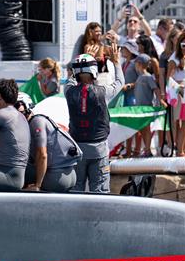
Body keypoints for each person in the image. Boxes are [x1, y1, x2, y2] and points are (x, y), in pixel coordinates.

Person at [65, 51, 124, 193]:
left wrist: (80, 63)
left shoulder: (68, 91)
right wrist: (116, 62)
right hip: (99, 151)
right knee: (100, 193)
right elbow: (120, 82)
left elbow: (71, 78)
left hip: (77, 150)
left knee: (75, 191)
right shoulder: (104, 92)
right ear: (93, 71)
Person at [15, 93, 80, 193]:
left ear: (26, 105)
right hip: (66, 174)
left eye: (16, 105)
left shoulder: (36, 122)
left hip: (57, 177)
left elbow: (42, 155)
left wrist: (37, 185)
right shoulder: (34, 122)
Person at [167, 31, 185, 157]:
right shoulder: (174, 59)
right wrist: (179, 87)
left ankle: (183, 149)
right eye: (184, 45)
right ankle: (179, 150)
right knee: (180, 122)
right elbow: (169, 78)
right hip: (179, 92)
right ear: (179, 44)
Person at [132, 54, 167, 156]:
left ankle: (147, 150)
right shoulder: (140, 77)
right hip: (139, 108)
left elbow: (155, 89)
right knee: (142, 129)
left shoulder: (148, 77)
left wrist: (161, 100)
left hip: (146, 107)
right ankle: (146, 148)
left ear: (139, 64)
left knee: (146, 129)